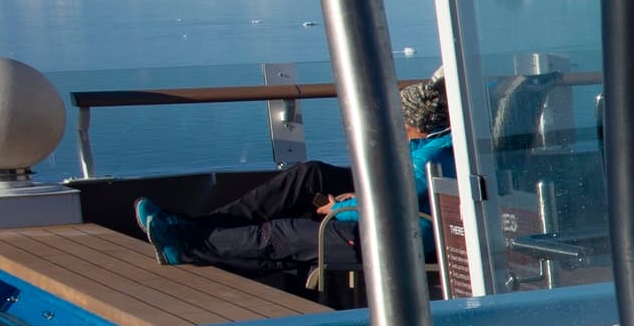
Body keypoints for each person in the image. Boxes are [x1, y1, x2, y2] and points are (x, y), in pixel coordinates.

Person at [136, 76, 451, 290]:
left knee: (285, 233)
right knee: (310, 175)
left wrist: (338, 208)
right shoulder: (427, 146)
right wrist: (358, 194)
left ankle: (189, 245)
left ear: (416, 125)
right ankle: (200, 227)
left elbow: (393, 203)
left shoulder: (431, 156)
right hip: (397, 218)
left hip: (396, 238)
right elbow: (400, 189)